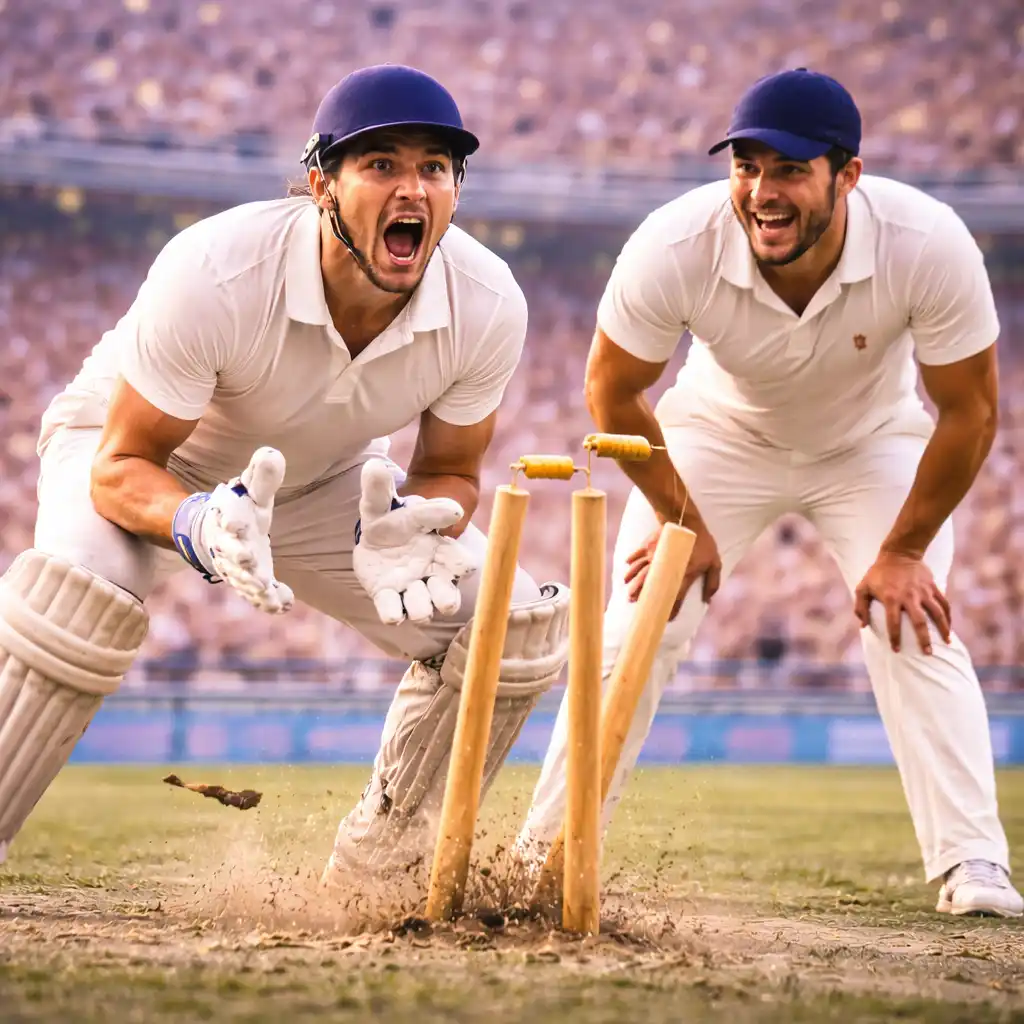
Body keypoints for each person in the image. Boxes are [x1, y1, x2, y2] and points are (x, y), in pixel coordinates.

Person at [0, 64, 571, 878]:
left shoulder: (487, 302)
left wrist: (414, 524)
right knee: (80, 601)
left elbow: (450, 469)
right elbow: (121, 463)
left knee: (511, 627)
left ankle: (377, 877)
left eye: (434, 169)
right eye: (380, 165)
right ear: (321, 185)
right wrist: (197, 521)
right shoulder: (218, 268)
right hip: (140, 457)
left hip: (322, 483)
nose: (412, 189)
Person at [515, 68, 1022, 918]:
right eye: (746, 166)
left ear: (846, 175)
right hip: (719, 436)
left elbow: (970, 412)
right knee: (640, 618)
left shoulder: (927, 241)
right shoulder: (677, 241)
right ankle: (546, 855)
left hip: (871, 445)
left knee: (914, 621)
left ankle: (974, 865)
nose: (762, 191)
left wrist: (900, 552)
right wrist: (684, 517)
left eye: (788, 169)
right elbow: (611, 392)